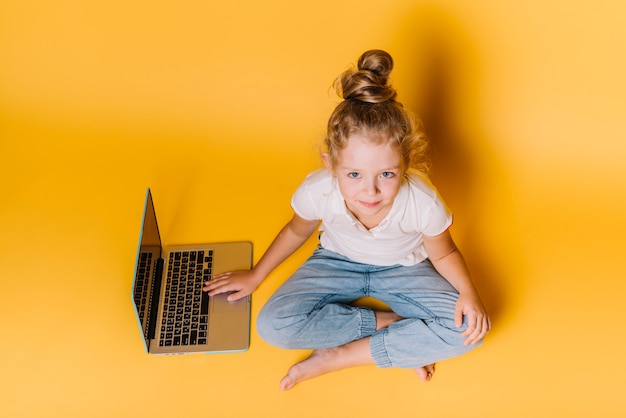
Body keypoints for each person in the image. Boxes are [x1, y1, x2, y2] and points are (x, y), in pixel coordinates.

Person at [203, 49, 491, 391]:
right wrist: (256, 275)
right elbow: (297, 231)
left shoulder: (421, 200)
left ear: (407, 162)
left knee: (469, 331)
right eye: (354, 174)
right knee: (273, 327)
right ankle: (394, 327)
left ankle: (340, 356)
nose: (370, 191)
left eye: (386, 174)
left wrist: (469, 292)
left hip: (403, 269)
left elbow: (443, 254)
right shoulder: (318, 190)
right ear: (330, 164)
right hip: (335, 262)